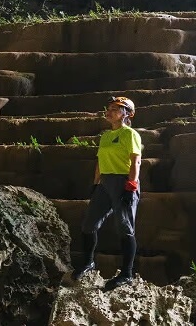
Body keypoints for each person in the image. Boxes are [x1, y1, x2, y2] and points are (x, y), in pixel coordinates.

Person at [72, 96, 142, 291]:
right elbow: (99, 162)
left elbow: (135, 161)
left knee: (125, 227)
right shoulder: (105, 136)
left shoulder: (130, 134)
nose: (109, 111)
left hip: (123, 181)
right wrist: (96, 184)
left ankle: (127, 274)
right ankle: (88, 263)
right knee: (88, 224)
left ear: (127, 114)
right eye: (109, 108)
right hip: (105, 182)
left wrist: (131, 186)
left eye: (115, 108)